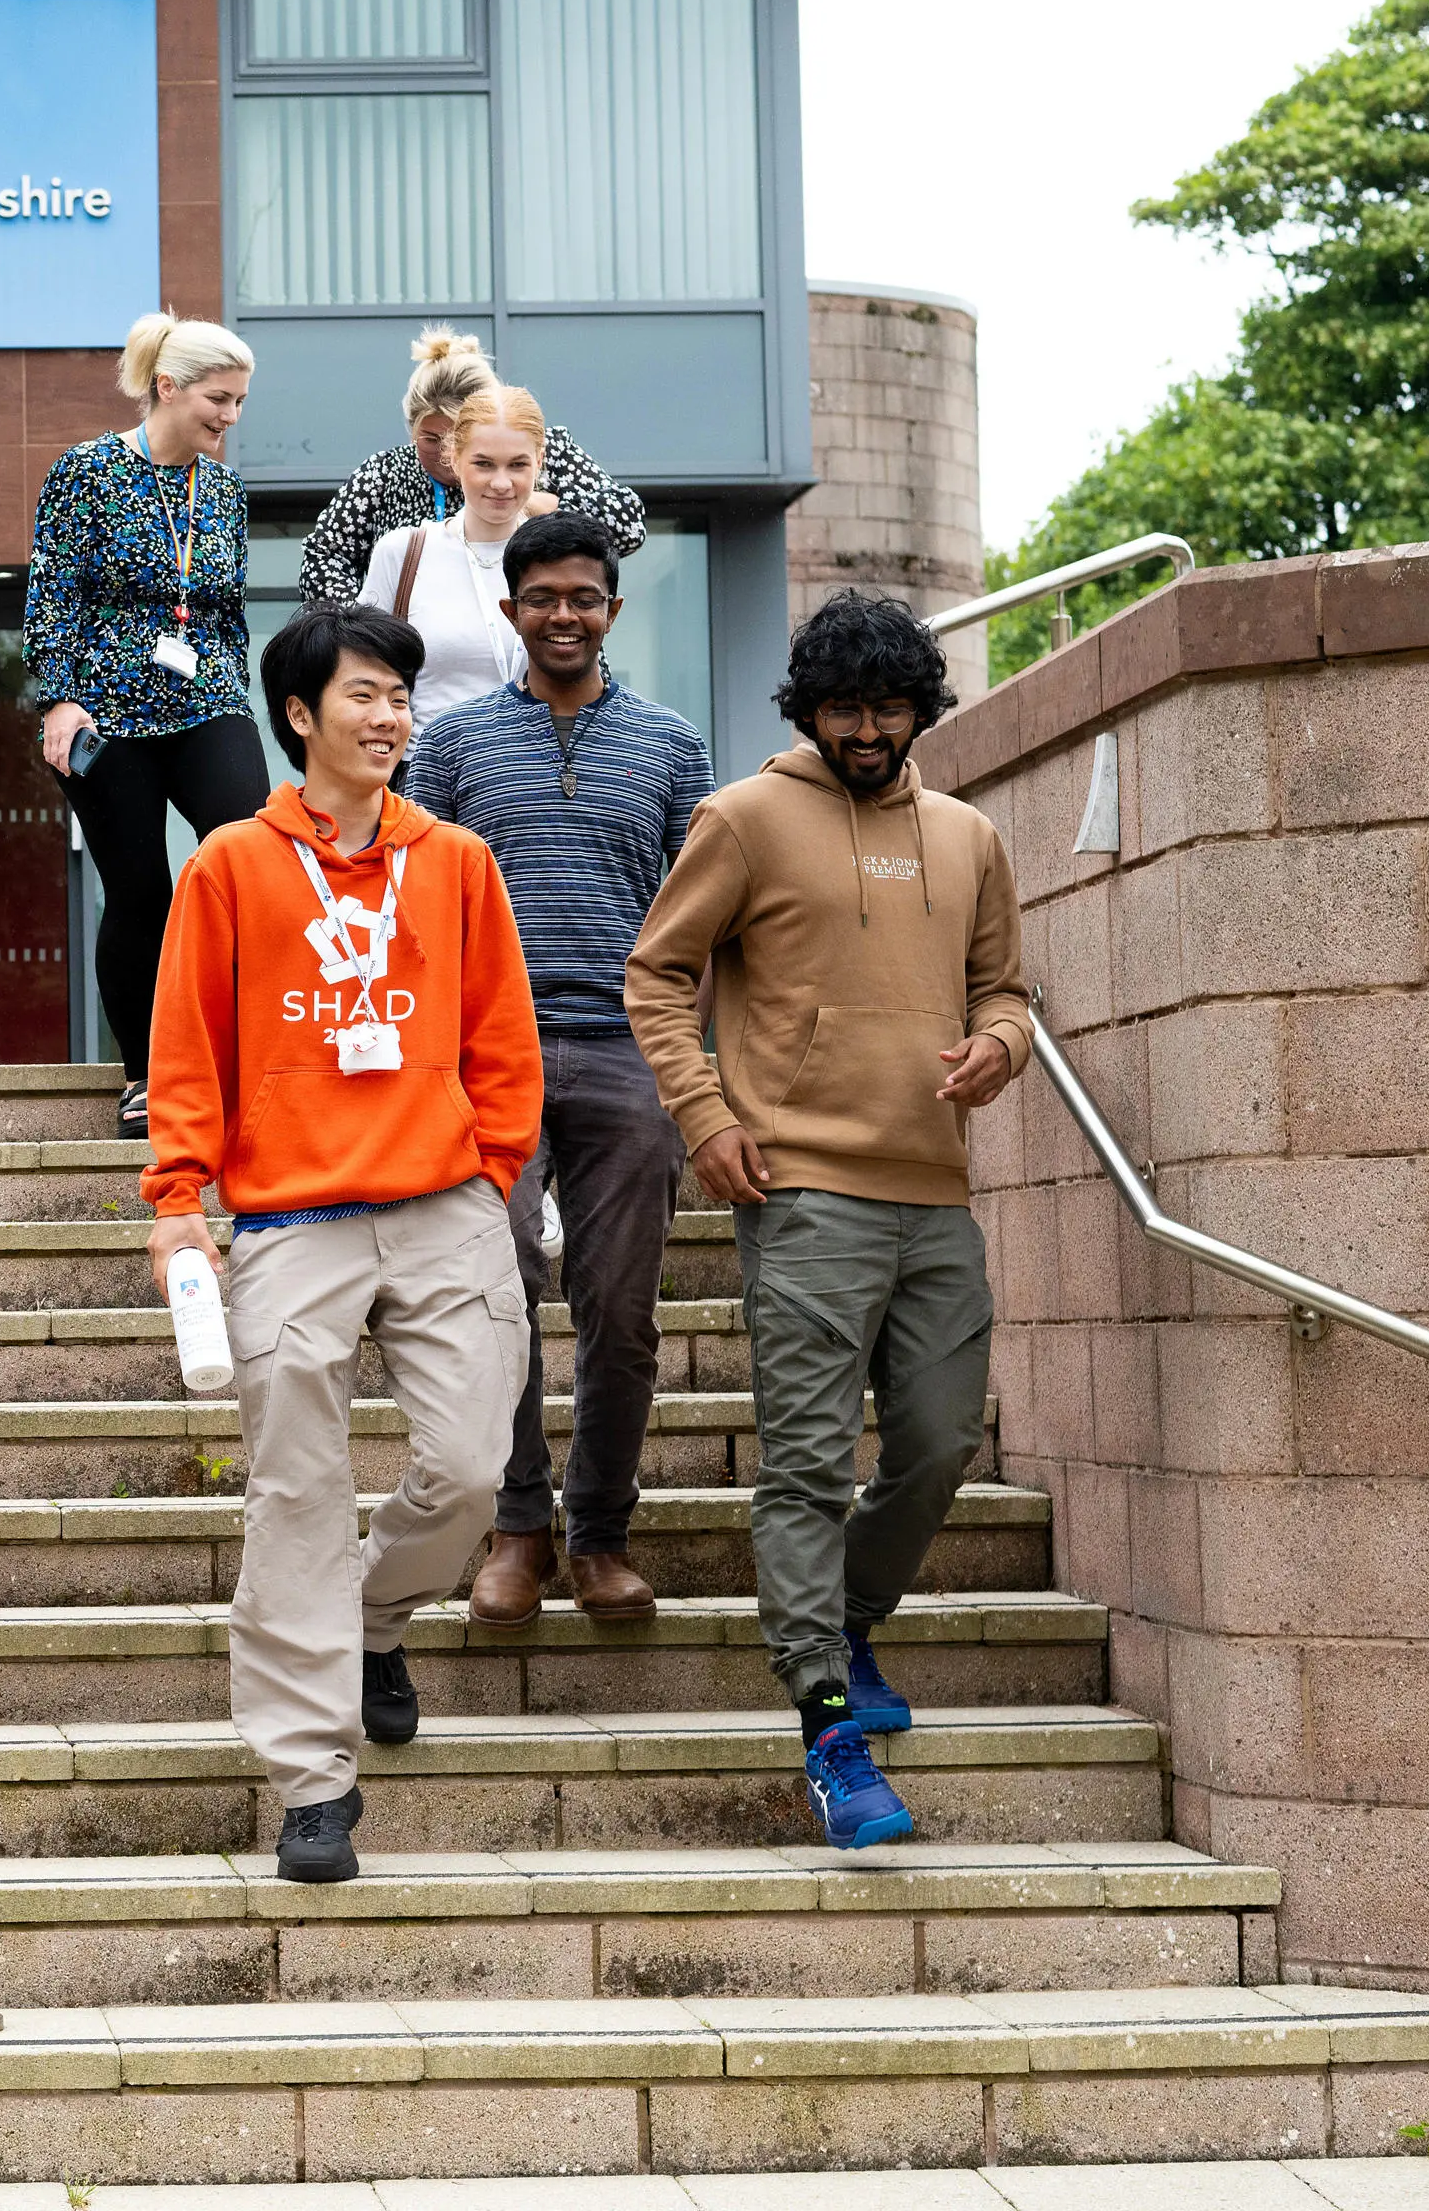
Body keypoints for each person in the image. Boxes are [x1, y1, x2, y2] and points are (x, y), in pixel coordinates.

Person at [143, 601, 543, 1886]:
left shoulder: (458, 861)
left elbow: (501, 1034)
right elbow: (188, 1048)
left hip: (442, 1204)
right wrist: (177, 1201)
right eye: (364, 695)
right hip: (288, 1217)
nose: (389, 717)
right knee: (297, 1493)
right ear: (301, 715)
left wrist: (487, 1170)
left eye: (401, 697)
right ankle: (312, 1779)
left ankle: (372, 1617)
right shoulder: (230, 865)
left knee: (474, 1467)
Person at [625, 590, 1032, 1851]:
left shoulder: (968, 834)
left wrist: (999, 1050)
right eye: (845, 708)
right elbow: (657, 972)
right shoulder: (742, 819)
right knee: (807, 1464)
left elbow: (1004, 987)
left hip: (933, 1190)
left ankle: (847, 1619)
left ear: (921, 707)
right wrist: (705, 1115)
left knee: (938, 1438)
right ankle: (825, 1724)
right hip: (799, 1190)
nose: (867, 729)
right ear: (809, 708)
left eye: (889, 706)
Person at [400, 512, 713, 1633]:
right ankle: (518, 1529)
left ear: (613, 610)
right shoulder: (450, 749)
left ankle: (603, 1533)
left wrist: (698, 1070)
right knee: (498, 1300)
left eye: (586, 596)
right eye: (544, 598)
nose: (565, 614)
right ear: (510, 610)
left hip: (631, 1055)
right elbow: (412, 914)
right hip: (491, 1061)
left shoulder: (675, 747)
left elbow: (705, 915)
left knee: (620, 1312)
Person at [25, 311, 263, 1143]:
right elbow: (53, 592)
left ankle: (246, 1051)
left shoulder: (223, 490)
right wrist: (61, 696)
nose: (230, 418)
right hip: (108, 706)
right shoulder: (86, 472)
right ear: (168, 387)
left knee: (248, 850)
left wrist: (247, 699)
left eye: (238, 403)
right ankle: (144, 1075)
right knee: (140, 891)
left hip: (207, 696)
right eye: (218, 399)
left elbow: (226, 611)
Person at [295, 327, 644, 608]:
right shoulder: (385, 475)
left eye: (455, 440)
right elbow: (323, 557)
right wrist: (363, 630)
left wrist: (542, 506)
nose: (444, 453)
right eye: (430, 439)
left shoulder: (544, 452)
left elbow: (627, 526)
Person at [362, 385, 564, 710]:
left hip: (536, 759)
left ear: (539, 461)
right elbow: (365, 675)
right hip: (429, 759)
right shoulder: (402, 554)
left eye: (517, 465)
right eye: (483, 464)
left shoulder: (563, 558)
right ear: (454, 457)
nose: (501, 483)